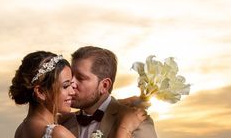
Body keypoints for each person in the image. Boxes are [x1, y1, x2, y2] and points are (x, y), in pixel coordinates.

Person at [10, 51, 147, 138]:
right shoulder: (57, 133)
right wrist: (124, 129)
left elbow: (76, 115)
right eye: (65, 86)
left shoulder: (22, 130)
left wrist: (117, 104)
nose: (72, 90)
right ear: (40, 92)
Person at [61, 46, 158, 138]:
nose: (71, 83)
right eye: (71, 75)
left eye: (80, 78)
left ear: (104, 85)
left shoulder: (138, 121)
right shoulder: (63, 122)